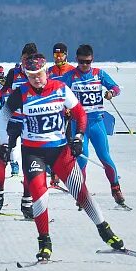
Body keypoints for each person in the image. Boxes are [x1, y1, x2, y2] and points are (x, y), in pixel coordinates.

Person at [0, 52, 123, 260]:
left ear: (46, 71)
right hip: (33, 153)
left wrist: (79, 137)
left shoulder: (60, 89)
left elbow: (80, 113)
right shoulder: (21, 93)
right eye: (31, 75)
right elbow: (2, 118)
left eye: (39, 74)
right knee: (39, 195)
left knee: (81, 193)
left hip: (60, 151)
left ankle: (104, 230)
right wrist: (3, 143)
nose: (36, 79)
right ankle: (44, 242)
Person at [61, 44, 127, 208]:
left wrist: (111, 93)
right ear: (76, 60)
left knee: (105, 157)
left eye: (88, 62)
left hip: (97, 123)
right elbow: (58, 93)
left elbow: (116, 87)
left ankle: (115, 188)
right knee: (82, 160)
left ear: (92, 60)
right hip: (79, 125)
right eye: (82, 62)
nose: (85, 65)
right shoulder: (70, 76)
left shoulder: (99, 74)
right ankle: (82, 194)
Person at [0, 43, 38, 217]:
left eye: (31, 59)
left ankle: (27, 203)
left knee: (30, 164)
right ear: (21, 57)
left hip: (31, 123)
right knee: (2, 158)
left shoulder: (39, 74)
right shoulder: (14, 73)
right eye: (24, 58)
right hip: (12, 121)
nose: (27, 62)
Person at [47, 42, 75, 188]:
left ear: (66, 55)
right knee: (54, 143)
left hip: (69, 113)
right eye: (55, 55)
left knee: (69, 144)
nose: (58, 58)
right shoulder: (49, 72)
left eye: (60, 54)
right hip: (54, 113)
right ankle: (54, 175)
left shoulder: (72, 70)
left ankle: (70, 175)